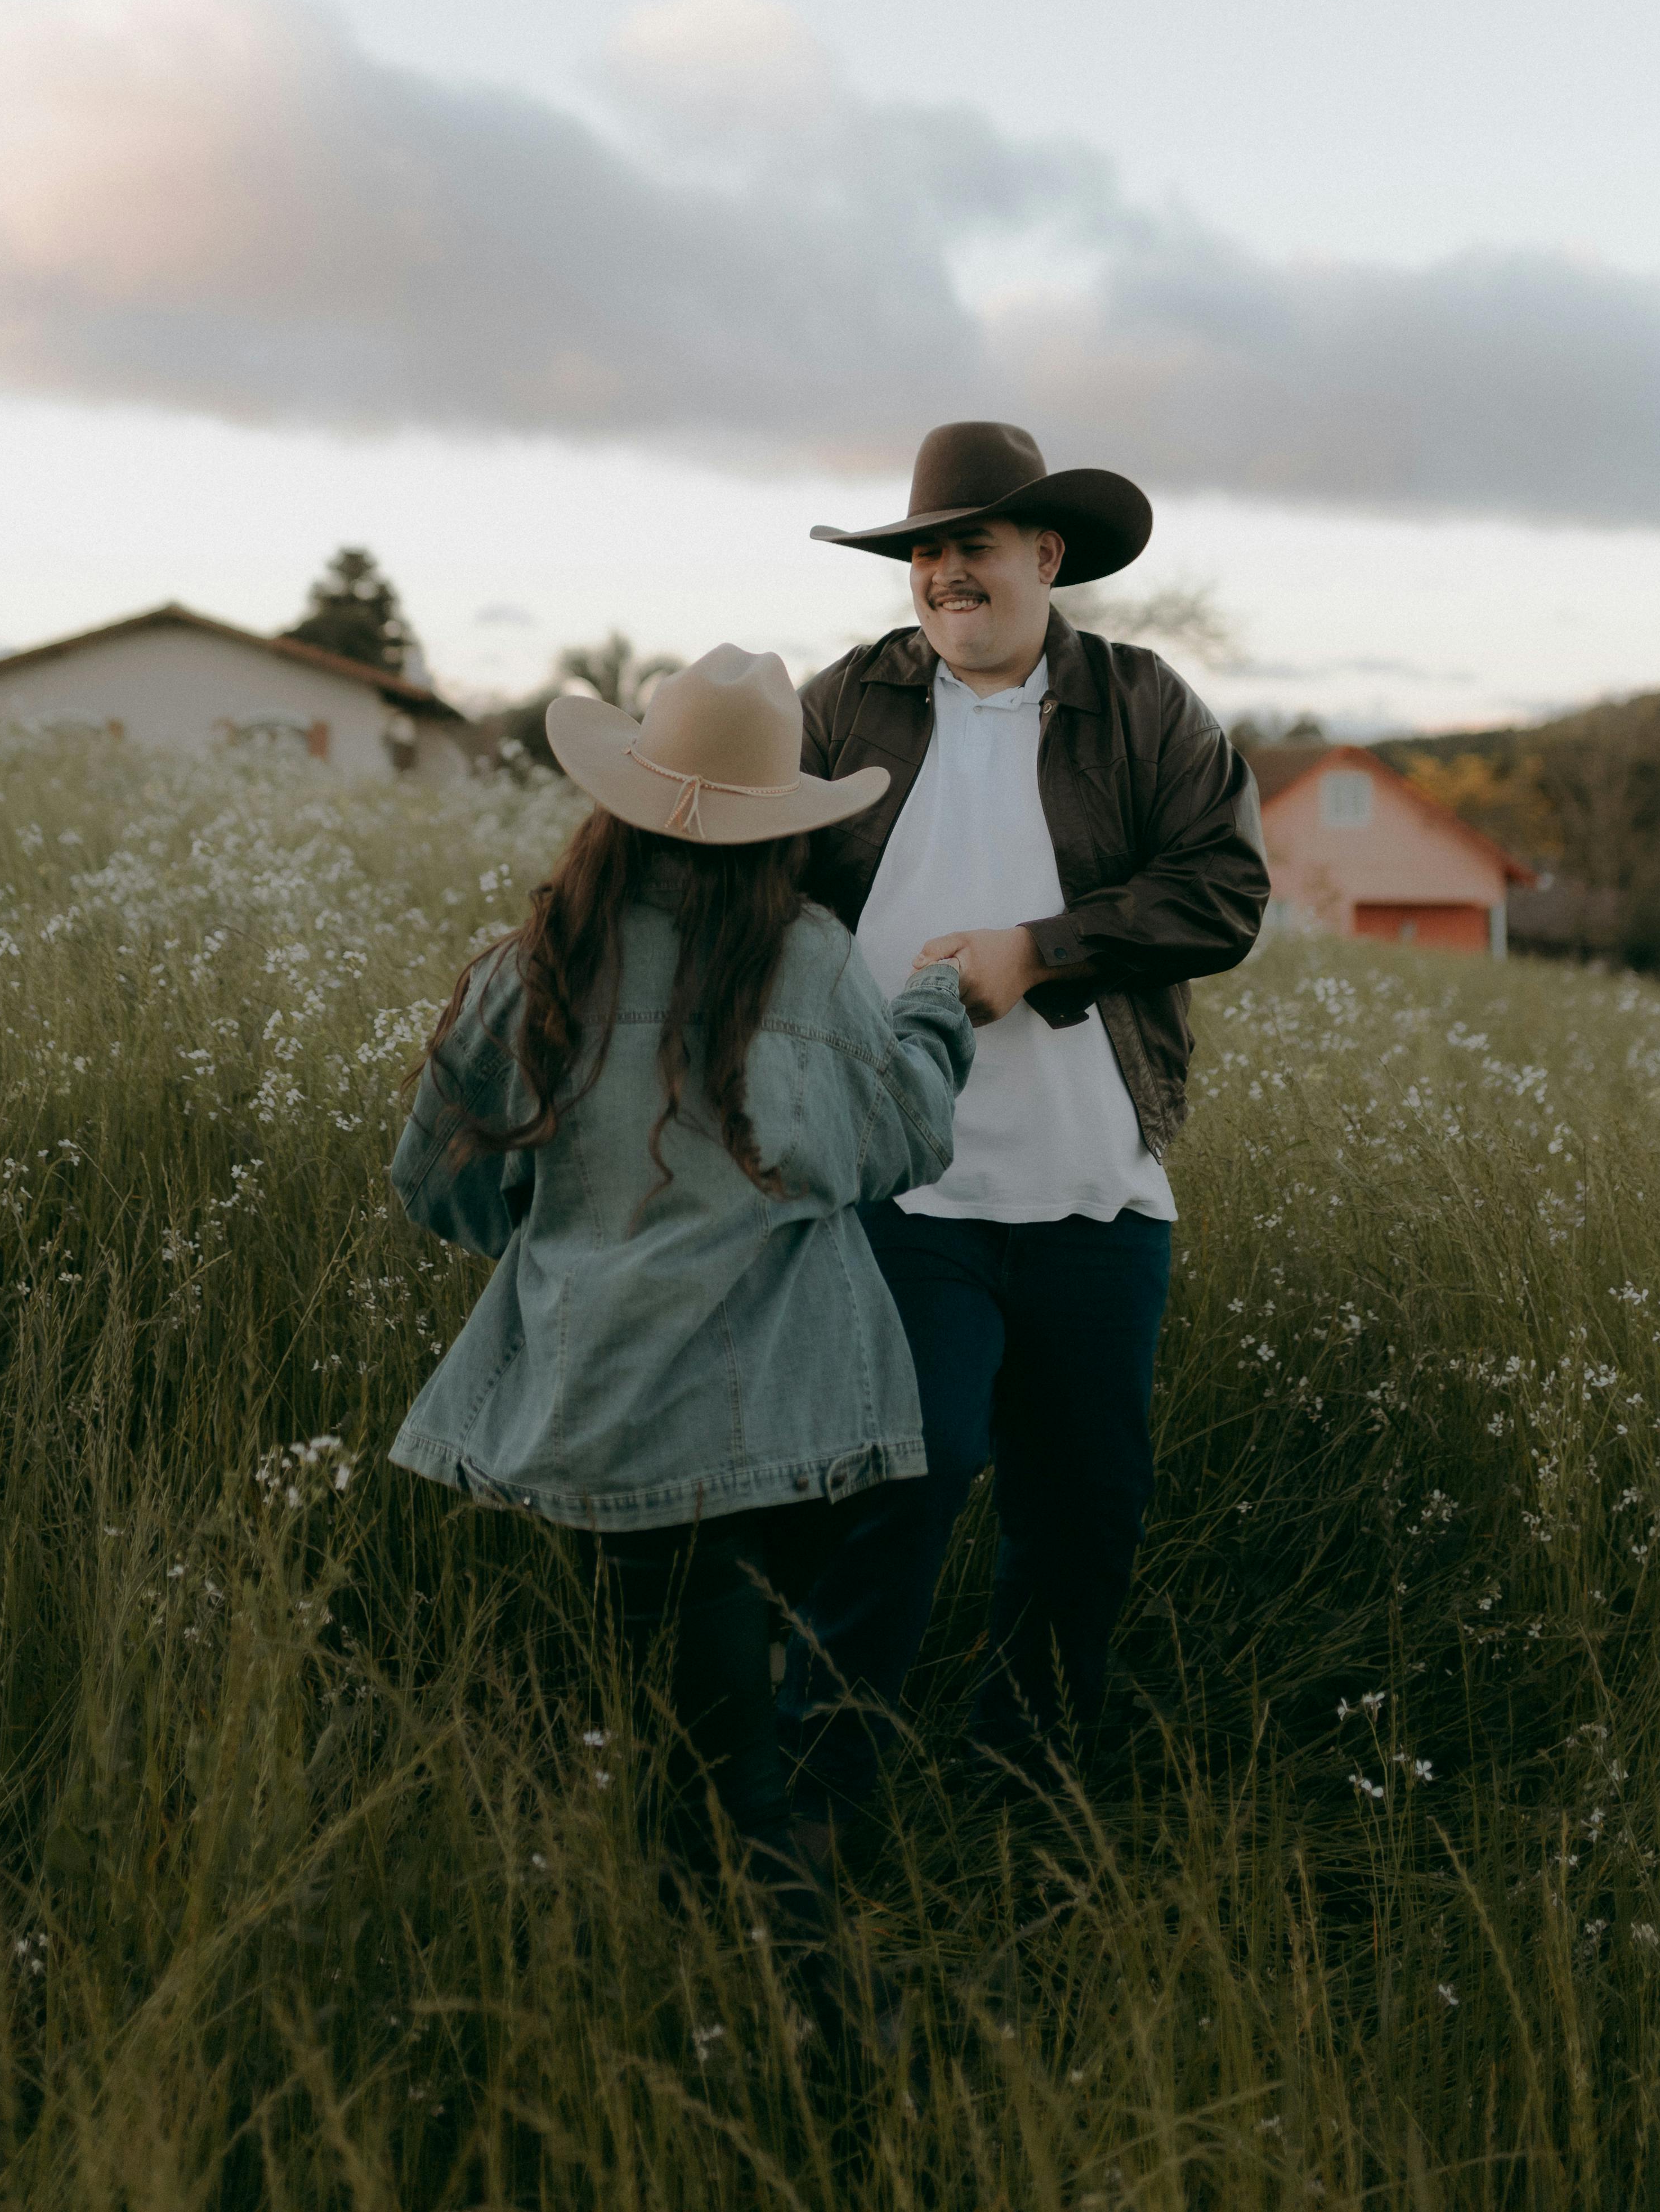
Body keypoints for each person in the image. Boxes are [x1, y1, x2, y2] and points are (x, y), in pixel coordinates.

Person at [388, 642, 974, 1918]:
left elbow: (432, 1178)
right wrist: (937, 1007)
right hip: (803, 1429)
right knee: (722, 1779)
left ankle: (733, 2017)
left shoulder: (537, 962)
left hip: (613, 1426)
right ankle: (799, 2048)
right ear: (779, 829)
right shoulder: (809, 960)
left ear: (624, 803)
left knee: (701, 1767)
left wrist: (568, 1251)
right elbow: (897, 1146)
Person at [782, 421, 1269, 1824]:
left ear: (1045, 557)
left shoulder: (1143, 705)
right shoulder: (845, 704)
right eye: (924, 552)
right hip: (901, 1187)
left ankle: (1025, 1815)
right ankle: (813, 1821)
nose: (942, 575)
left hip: (1092, 1198)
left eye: (971, 547)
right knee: (904, 1487)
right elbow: (752, 880)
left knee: (1082, 1525)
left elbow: (1224, 892)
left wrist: (1039, 952)